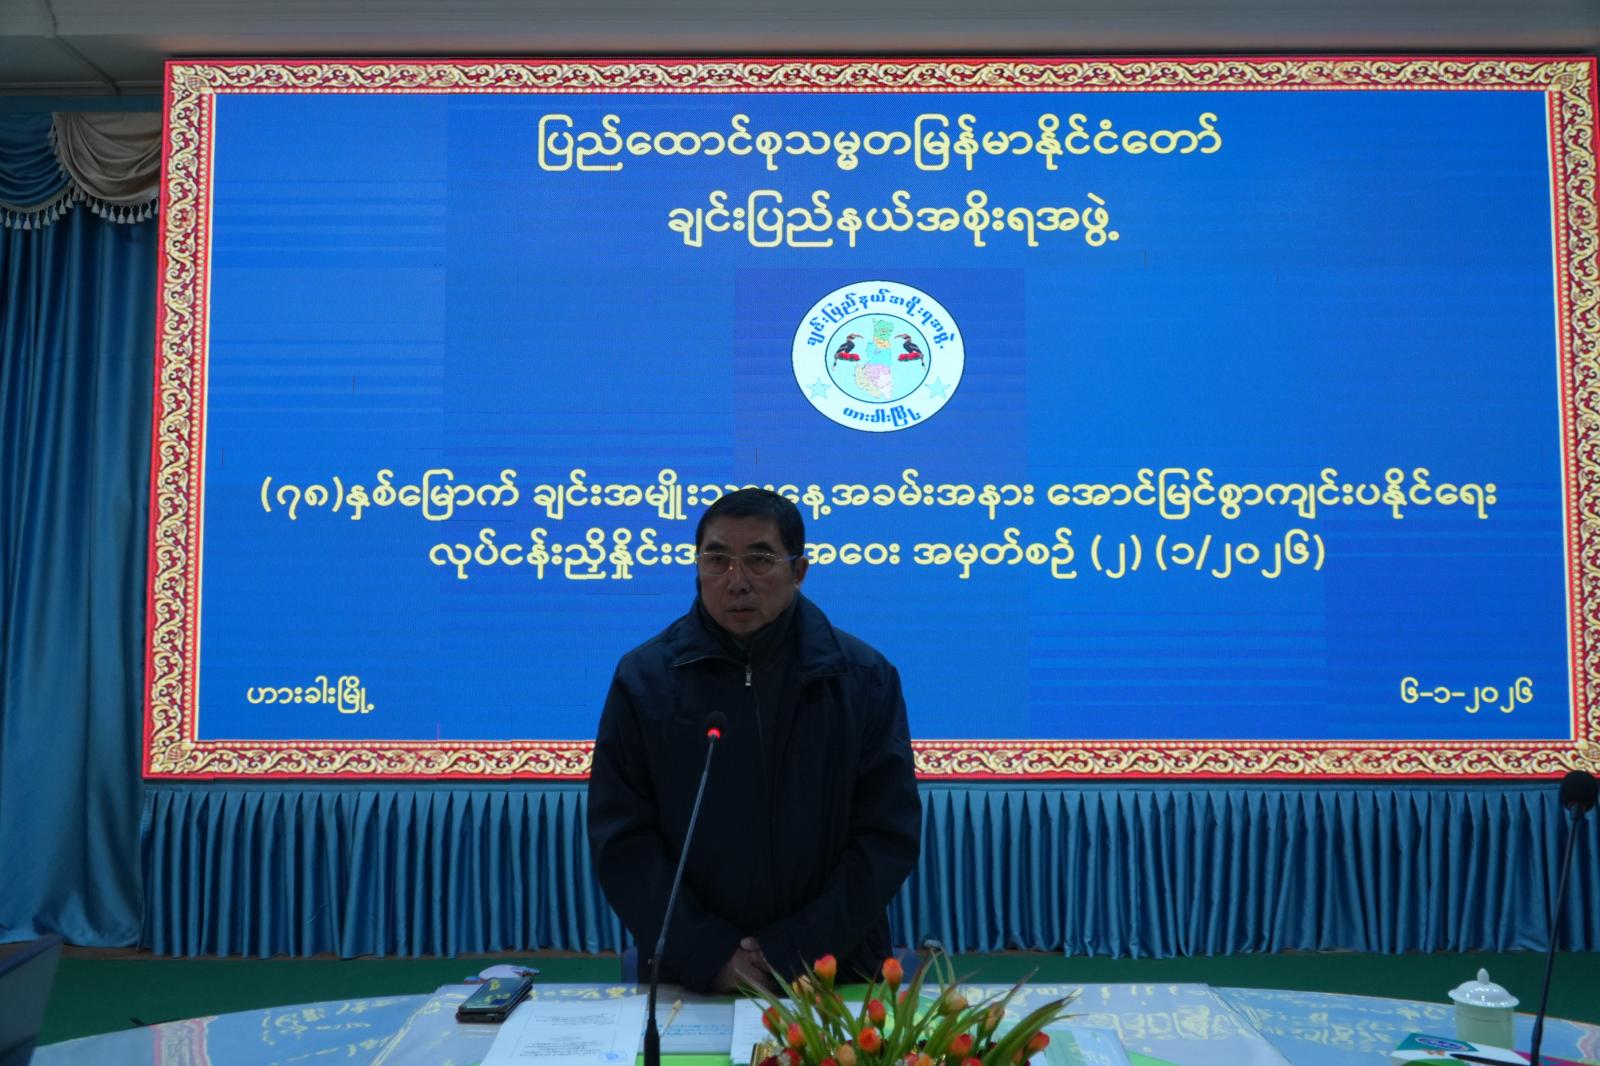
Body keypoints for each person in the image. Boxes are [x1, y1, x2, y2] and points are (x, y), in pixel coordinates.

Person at [586, 488, 921, 993]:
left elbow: (886, 835)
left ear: (799, 570)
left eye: (759, 560)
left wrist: (792, 951)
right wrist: (709, 954)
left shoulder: (862, 678)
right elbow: (623, 839)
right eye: (717, 559)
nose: (736, 581)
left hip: (833, 970)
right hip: (696, 975)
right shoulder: (645, 680)